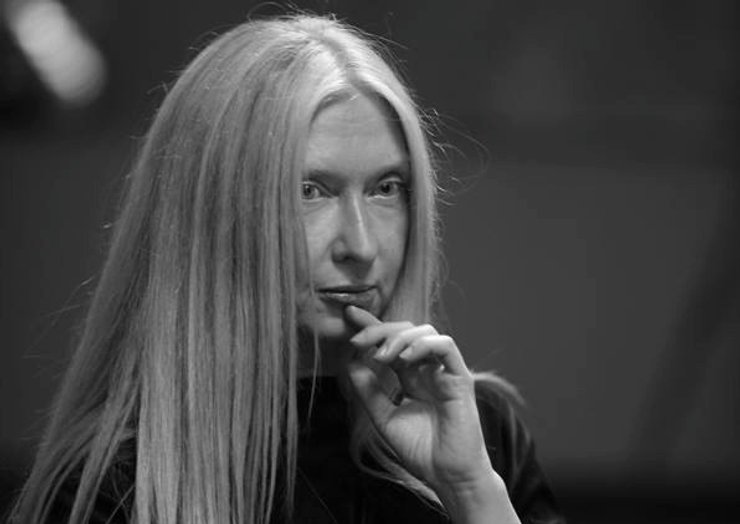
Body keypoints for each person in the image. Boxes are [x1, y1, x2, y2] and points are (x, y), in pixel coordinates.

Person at [9, 14, 565, 524]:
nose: (361, 246)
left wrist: (471, 490)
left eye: (385, 188)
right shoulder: (114, 485)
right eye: (311, 191)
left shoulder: (477, 434)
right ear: (212, 212)